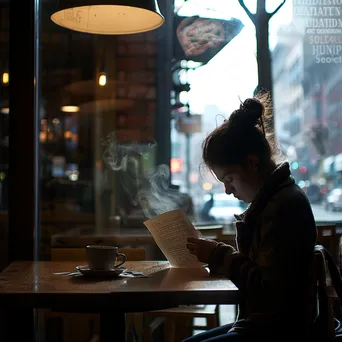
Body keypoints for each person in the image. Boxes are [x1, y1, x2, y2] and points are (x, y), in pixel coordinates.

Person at [185, 92, 318, 341]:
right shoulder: (275, 201)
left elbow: (267, 292)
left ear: (253, 163)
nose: (227, 189)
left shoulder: (283, 208)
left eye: (229, 179)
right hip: (263, 325)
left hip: (277, 332)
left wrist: (217, 254)